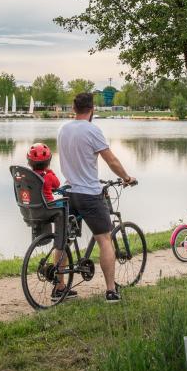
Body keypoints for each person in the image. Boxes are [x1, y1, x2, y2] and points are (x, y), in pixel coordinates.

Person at [57, 92, 136, 303]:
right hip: (89, 194)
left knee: (63, 240)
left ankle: (59, 287)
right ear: (92, 109)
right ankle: (111, 290)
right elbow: (112, 161)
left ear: (74, 108)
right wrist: (126, 177)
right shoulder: (93, 130)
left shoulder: (63, 130)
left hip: (68, 192)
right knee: (105, 240)